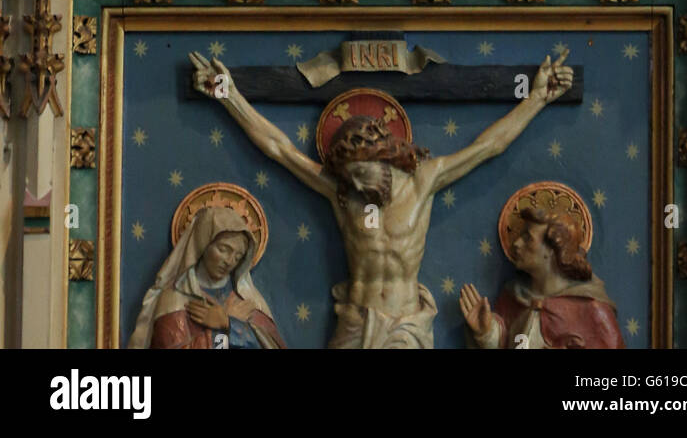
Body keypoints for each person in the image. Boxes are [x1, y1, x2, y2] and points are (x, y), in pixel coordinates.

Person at [189, 49, 573, 349]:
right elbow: (280, 149)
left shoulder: (424, 180)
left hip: (408, 325)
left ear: (383, 157)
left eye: (361, 175)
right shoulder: (341, 192)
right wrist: (229, 96)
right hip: (356, 322)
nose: (356, 187)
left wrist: (538, 98)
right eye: (349, 180)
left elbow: (489, 146)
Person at [460, 204, 625, 349]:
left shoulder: (592, 311)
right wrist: (487, 334)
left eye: (527, 238)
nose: (516, 243)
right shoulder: (513, 299)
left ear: (552, 250)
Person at [127, 205, 287, 349]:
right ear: (203, 244)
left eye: (238, 257)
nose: (229, 261)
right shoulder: (174, 300)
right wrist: (222, 331)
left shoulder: (246, 301)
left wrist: (229, 323)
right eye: (224, 249)